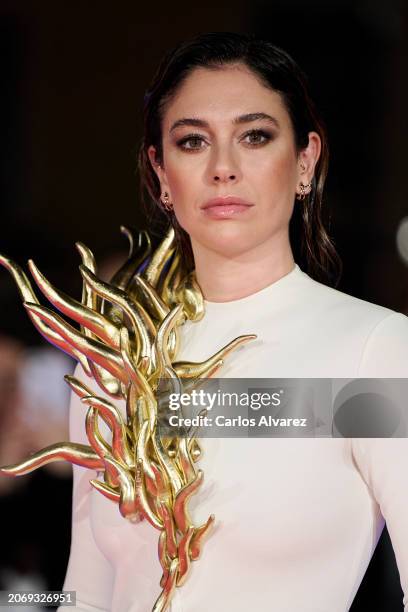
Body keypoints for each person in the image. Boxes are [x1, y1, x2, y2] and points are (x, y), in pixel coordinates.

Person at [59, 32, 408, 611]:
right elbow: (85, 596)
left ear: (305, 162)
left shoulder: (375, 352)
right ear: (161, 172)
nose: (223, 168)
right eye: (193, 141)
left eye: (255, 137)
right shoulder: (111, 363)